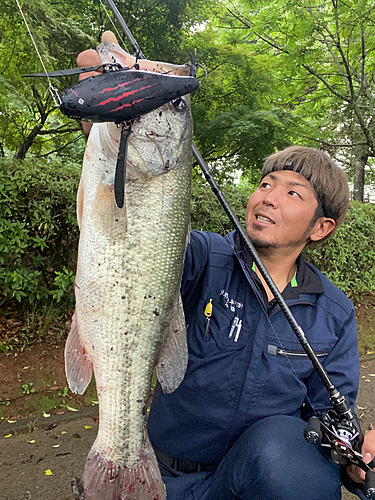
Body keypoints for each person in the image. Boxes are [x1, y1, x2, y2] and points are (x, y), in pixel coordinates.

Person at [77, 36, 375, 500]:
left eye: (292, 193)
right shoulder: (201, 257)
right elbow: (135, 235)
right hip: (165, 474)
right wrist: (111, 120)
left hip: (248, 482)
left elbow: (330, 410)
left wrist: (356, 456)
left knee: (297, 464)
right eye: (265, 182)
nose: (268, 197)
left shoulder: (333, 314)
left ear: (321, 227)